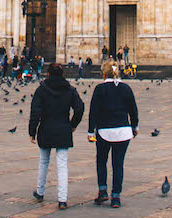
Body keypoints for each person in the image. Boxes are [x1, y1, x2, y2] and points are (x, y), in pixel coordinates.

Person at [29, 63, 85, 209]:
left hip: (46, 129)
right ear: (62, 74)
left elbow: (35, 112)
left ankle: (40, 192)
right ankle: (62, 199)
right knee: (62, 165)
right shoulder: (70, 90)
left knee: (43, 162)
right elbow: (80, 108)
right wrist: (72, 125)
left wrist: (32, 131)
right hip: (63, 130)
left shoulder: (41, 90)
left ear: (48, 74)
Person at [87, 60, 138, 208]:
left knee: (101, 161)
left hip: (104, 131)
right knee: (118, 164)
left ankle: (102, 191)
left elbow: (93, 112)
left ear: (104, 74)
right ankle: (116, 197)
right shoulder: (126, 88)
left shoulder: (100, 89)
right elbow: (133, 110)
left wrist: (91, 131)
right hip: (123, 132)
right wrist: (135, 127)